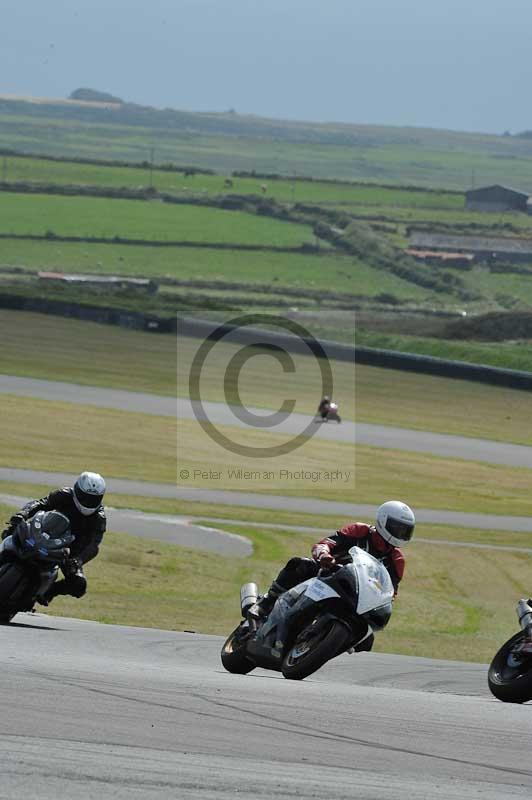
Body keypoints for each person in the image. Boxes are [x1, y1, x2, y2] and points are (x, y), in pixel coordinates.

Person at [250, 500, 415, 648]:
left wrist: (383, 601)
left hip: (358, 595)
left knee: (366, 641)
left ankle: (324, 643)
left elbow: (390, 591)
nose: (401, 534)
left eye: (405, 530)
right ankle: (265, 603)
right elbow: (326, 543)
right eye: (397, 528)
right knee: (299, 564)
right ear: (382, 521)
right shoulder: (359, 531)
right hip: (328, 574)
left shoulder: (397, 560)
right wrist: (324, 556)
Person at [1, 471, 107, 605]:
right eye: (84, 496)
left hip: (70, 549)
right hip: (45, 529)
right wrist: (22, 514)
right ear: (77, 490)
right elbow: (41, 503)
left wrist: (78, 560)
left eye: (93, 499)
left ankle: (48, 592)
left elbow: (93, 545)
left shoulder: (99, 518)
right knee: (11, 531)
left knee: (79, 584)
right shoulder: (64, 494)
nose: (87, 502)